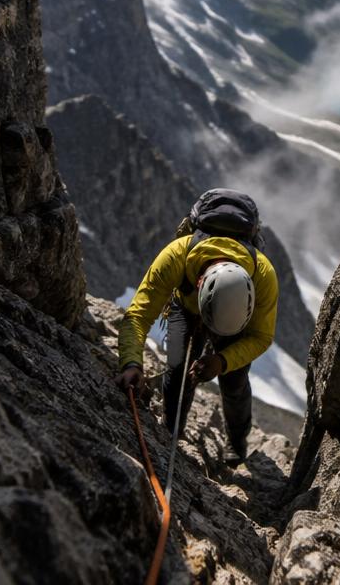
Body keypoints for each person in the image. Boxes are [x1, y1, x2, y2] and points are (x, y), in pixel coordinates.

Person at [115, 191, 278, 465]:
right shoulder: (177, 256)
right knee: (177, 369)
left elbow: (261, 336)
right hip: (186, 307)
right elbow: (138, 316)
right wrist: (131, 363)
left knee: (234, 381)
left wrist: (223, 361)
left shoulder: (263, 274)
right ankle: (171, 430)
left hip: (233, 319)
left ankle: (237, 445)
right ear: (200, 282)